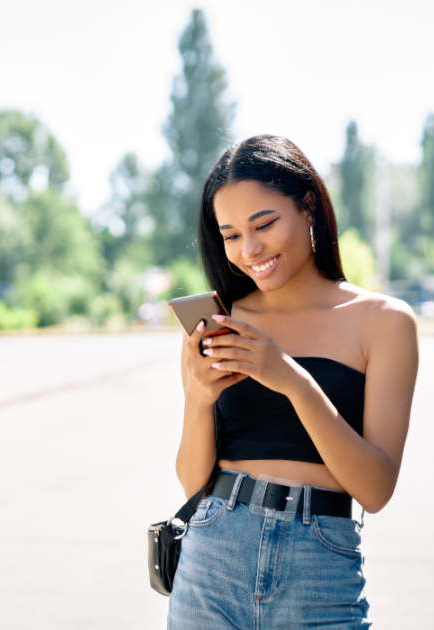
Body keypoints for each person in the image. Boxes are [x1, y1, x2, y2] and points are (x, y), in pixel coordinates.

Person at [169, 135, 419, 629]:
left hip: (320, 567)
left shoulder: (384, 321)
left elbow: (375, 489)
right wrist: (199, 399)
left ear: (308, 207)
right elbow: (191, 482)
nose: (250, 249)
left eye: (263, 224)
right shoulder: (223, 321)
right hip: (212, 558)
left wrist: (292, 380)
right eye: (231, 235)